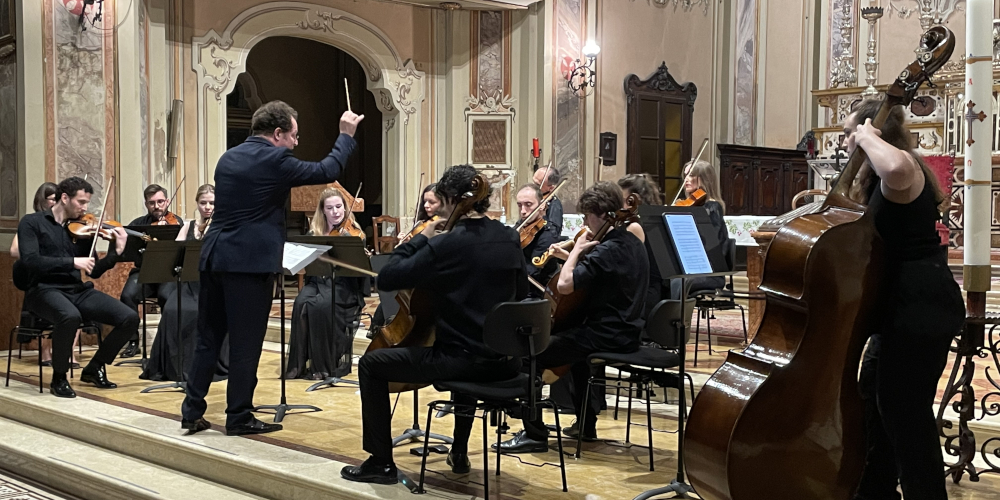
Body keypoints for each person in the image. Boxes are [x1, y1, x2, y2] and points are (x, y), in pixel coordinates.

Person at [180, 100, 364, 437]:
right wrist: (346, 134)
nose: (295, 143)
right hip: (247, 265)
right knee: (246, 344)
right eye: (293, 136)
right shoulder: (274, 159)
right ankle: (238, 416)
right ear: (278, 133)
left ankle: (192, 411)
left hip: (214, 257)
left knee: (208, 338)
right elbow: (328, 170)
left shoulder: (228, 157)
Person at [340, 165, 526, 485]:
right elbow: (521, 294)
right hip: (504, 363)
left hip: (459, 362)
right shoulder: (509, 237)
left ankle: (380, 462)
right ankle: (459, 451)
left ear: (452, 200)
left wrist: (422, 238)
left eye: (441, 202)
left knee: (371, 364)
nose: (438, 209)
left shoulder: (447, 244)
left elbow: (387, 276)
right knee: (469, 345)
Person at [843, 100, 964, 500]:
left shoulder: (902, 166)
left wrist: (865, 136)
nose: (844, 142)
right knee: (874, 403)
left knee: (906, 416)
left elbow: (893, 166)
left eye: (848, 133)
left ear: (874, 131)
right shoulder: (877, 178)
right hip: (897, 309)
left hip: (920, 307)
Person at [497, 181, 648, 453]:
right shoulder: (630, 242)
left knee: (530, 353)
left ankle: (534, 434)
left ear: (601, 214)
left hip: (606, 335)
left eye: (587, 216)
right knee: (575, 358)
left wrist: (577, 249)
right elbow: (597, 274)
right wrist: (575, 254)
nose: (585, 222)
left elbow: (566, 285)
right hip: (628, 331)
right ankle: (585, 424)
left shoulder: (607, 249)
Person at [17, 176, 140, 398]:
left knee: (129, 318)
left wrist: (116, 252)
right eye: (81, 202)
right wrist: (72, 262)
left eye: (87, 203)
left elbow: (94, 271)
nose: (85, 208)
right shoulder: (32, 222)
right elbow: (30, 261)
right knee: (69, 316)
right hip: (43, 289)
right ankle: (59, 377)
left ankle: (94, 367)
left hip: (76, 290)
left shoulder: (81, 229)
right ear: (64, 198)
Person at [140, 184, 229, 382]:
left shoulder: (223, 226)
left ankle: (201, 366)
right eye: (203, 203)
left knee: (199, 313)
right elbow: (175, 253)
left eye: (212, 203)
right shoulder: (188, 226)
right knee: (172, 310)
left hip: (212, 285)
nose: (207, 207)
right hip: (187, 285)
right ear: (197, 203)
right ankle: (176, 367)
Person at [285, 187, 366, 381]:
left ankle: (323, 366)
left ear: (345, 208)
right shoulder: (315, 232)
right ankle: (298, 364)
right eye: (330, 208)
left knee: (320, 306)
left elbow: (357, 271)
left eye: (338, 206)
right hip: (317, 282)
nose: (335, 212)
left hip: (343, 286)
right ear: (323, 211)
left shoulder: (354, 234)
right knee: (300, 303)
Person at [11, 182, 84, 367]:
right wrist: (40, 253)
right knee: (55, 306)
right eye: (52, 199)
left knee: (79, 305)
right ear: (42, 201)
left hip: (66, 279)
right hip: (42, 281)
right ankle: (45, 352)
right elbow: (14, 250)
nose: (55, 201)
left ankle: (69, 351)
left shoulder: (69, 224)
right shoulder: (33, 223)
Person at [118, 184, 185, 358]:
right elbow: (127, 249)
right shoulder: (138, 225)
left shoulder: (176, 223)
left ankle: (167, 342)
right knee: (127, 296)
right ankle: (133, 341)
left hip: (167, 273)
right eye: (152, 203)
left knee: (166, 297)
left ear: (167, 201)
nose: (157, 206)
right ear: (146, 204)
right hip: (143, 272)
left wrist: (166, 234)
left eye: (160, 201)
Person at [669, 160, 727, 299]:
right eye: (685, 175)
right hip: (689, 268)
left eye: (692, 175)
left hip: (709, 272)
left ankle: (677, 313)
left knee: (675, 282)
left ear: (705, 179)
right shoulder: (691, 206)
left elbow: (710, 244)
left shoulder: (712, 208)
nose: (686, 179)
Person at [618, 174, 667, 320]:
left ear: (635, 200)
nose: (618, 206)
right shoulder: (653, 220)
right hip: (654, 292)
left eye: (622, 200)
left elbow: (628, 270)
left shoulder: (635, 227)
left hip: (643, 298)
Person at [515, 183, 560, 297]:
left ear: (542, 205)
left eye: (528, 204)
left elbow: (533, 271)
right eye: (519, 205)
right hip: (518, 288)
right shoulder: (519, 226)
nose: (523, 211)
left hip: (535, 294)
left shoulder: (548, 234)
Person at [533, 164, 563, 233]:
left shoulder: (554, 205)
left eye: (537, 185)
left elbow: (553, 233)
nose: (533, 187)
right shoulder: (535, 199)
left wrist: (542, 215)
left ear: (551, 188)